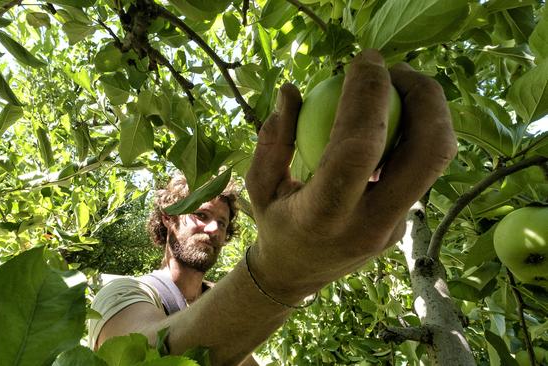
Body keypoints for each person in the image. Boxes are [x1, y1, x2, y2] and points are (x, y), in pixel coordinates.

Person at [87, 49, 457, 365]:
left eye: (222, 222)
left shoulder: (221, 301)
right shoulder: (126, 293)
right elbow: (138, 357)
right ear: (168, 219)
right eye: (201, 215)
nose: (215, 229)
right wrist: (282, 273)